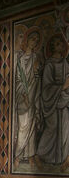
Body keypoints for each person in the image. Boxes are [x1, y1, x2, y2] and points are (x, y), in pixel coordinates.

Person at [37, 34, 69, 172]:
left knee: (65, 129)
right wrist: (62, 87)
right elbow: (46, 88)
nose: (61, 46)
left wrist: (65, 90)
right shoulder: (49, 65)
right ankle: (41, 155)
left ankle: (63, 159)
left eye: (62, 44)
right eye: (58, 44)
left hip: (63, 100)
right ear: (53, 47)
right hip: (51, 103)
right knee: (52, 129)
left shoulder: (65, 63)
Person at [14, 29, 43, 169]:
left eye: (37, 40)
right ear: (27, 40)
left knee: (31, 128)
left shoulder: (36, 58)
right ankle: (18, 155)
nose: (34, 42)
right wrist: (23, 95)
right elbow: (18, 80)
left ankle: (31, 156)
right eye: (32, 39)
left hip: (33, 95)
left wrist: (37, 73)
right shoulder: (20, 60)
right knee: (22, 127)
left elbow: (38, 79)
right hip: (22, 98)